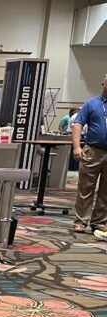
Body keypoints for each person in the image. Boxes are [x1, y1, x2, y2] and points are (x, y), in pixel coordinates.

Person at [71, 75, 107, 235]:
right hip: (93, 150)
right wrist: (77, 147)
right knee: (85, 187)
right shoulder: (91, 104)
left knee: (106, 191)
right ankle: (81, 221)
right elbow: (78, 124)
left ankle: (99, 221)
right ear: (103, 84)